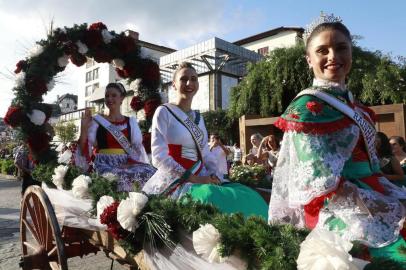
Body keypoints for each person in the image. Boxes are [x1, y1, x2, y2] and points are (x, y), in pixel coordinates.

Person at [268, 14, 406, 265]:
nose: (333, 56)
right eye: (323, 50)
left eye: (341, 48)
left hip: (372, 189)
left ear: (351, 53)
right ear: (309, 60)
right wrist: (382, 207)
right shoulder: (308, 107)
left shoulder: (353, 104)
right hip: (337, 204)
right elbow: (318, 184)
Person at [143, 62, 267, 219]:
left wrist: (214, 175)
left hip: (200, 172)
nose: (189, 83)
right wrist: (194, 178)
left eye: (194, 79)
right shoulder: (164, 112)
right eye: (183, 79)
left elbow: (205, 153)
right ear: (174, 84)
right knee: (209, 198)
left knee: (248, 195)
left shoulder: (198, 117)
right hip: (176, 178)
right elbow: (159, 157)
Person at [78, 82, 156, 192]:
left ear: (122, 98)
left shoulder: (130, 122)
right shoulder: (97, 122)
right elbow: (85, 148)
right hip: (104, 163)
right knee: (116, 178)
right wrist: (84, 129)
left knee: (151, 172)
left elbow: (137, 150)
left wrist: (130, 162)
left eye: (114, 95)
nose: (109, 98)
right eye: (107, 96)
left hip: (126, 163)